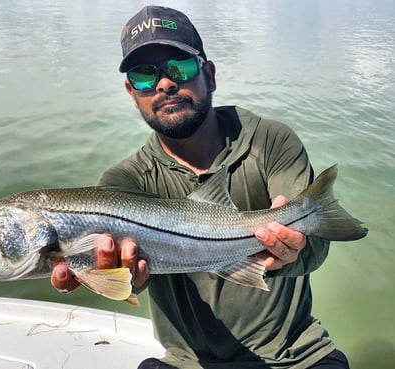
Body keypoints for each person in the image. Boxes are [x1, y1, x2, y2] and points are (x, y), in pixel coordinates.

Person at [51, 6, 350, 369]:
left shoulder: (271, 140)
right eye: (145, 76)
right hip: (187, 362)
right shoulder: (122, 183)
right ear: (132, 92)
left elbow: (314, 247)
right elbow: (132, 281)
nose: (164, 83)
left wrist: (288, 254)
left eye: (180, 66)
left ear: (209, 74)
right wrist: (116, 277)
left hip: (296, 354)